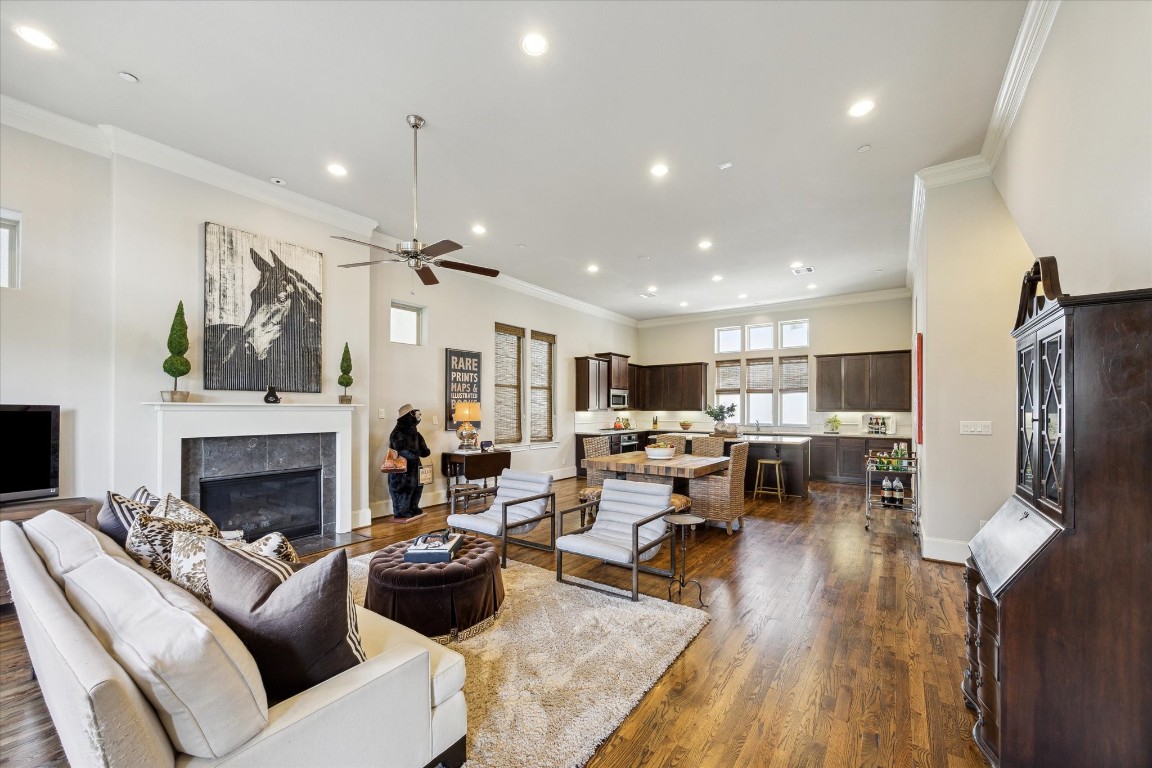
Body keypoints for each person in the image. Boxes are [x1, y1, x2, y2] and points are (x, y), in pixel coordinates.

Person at [388, 404, 431, 519]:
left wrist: (424, 451)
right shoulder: (397, 432)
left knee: (417, 487)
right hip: (402, 468)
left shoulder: (415, 433)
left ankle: (413, 507)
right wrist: (415, 454)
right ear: (407, 416)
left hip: (415, 466)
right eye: (413, 414)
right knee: (404, 488)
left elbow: (422, 446)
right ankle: (401, 511)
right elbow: (400, 449)